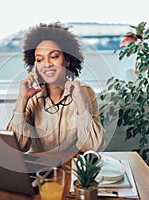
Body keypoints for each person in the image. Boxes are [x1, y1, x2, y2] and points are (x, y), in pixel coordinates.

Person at [6, 22, 105, 153]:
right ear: (35, 66)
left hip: (72, 169)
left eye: (54, 57)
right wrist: (21, 101)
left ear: (67, 60)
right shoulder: (32, 97)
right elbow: (15, 148)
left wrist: (79, 101)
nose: (47, 64)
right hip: (39, 169)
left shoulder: (84, 93)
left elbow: (93, 148)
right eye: (40, 60)